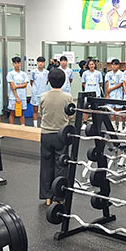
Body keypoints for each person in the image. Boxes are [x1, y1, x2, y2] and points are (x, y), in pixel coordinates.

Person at [39, 69, 73, 205]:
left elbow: (42, 114)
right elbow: (70, 116)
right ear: (64, 81)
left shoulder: (43, 96)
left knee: (46, 165)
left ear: (49, 80)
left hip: (46, 134)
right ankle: (59, 197)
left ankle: (47, 196)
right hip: (61, 134)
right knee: (61, 165)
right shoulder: (68, 97)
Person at [81, 60, 103, 129]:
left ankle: (96, 123)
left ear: (94, 65)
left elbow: (100, 83)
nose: (91, 66)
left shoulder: (98, 73)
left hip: (96, 93)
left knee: (96, 108)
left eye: (92, 64)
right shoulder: (85, 73)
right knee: (86, 108)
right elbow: (83, 83)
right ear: (88, 65)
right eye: (90, 64)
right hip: (88, 92)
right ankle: (85, 122)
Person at [7, 56, 28, 125]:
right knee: (12, 113)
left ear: (20, 64)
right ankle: (11, 128)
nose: (17, 65)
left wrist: (17, 86)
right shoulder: (10, 74)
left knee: (22, 112)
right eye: (15, 63)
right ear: (13, 64)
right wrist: (17, 97)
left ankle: (23, 127)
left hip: (22, 96)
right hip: (13, 97)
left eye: (18, 63)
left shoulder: (24, 74)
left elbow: (25, 85)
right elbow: (12, 87)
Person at [105, 59, 124, 130]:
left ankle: (120, 126)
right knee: (111, 110)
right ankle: (113, 126)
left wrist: (111, 89)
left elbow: (120, 84)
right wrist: (107, 93)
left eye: (116, 64)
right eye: (113, 64)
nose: (114, 66)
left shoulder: (121, 74)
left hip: (118, 94)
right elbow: (107, 84)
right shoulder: (108, 74)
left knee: (119, 110)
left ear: (118, 66)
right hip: (111, 94)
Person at [30, 56, 49, 128]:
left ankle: (43, 124)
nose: (40, 64)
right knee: (35, 109)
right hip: (35, 93)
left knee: (43, 110)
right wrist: (35, 89)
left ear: (44, 63)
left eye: (42, 62)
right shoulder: (33, 72)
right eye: (39, 62)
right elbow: (31, 82)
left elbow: (47, 82)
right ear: (37, 63)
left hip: (44, 93)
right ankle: (35, 125)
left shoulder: (47, 72)